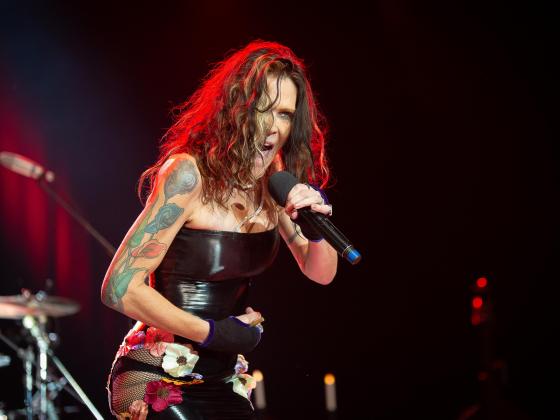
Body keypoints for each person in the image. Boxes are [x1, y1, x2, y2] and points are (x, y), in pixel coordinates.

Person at [101, 40, 337, 419]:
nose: (274, 127)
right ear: (237, 110)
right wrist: (212, 333)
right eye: (264, 109)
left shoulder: (274, 185)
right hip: (159, 373)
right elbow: (118, 288)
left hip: (221, 374)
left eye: (286, 114)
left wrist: (316, 228)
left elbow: (320, 272)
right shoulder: (188, 174)